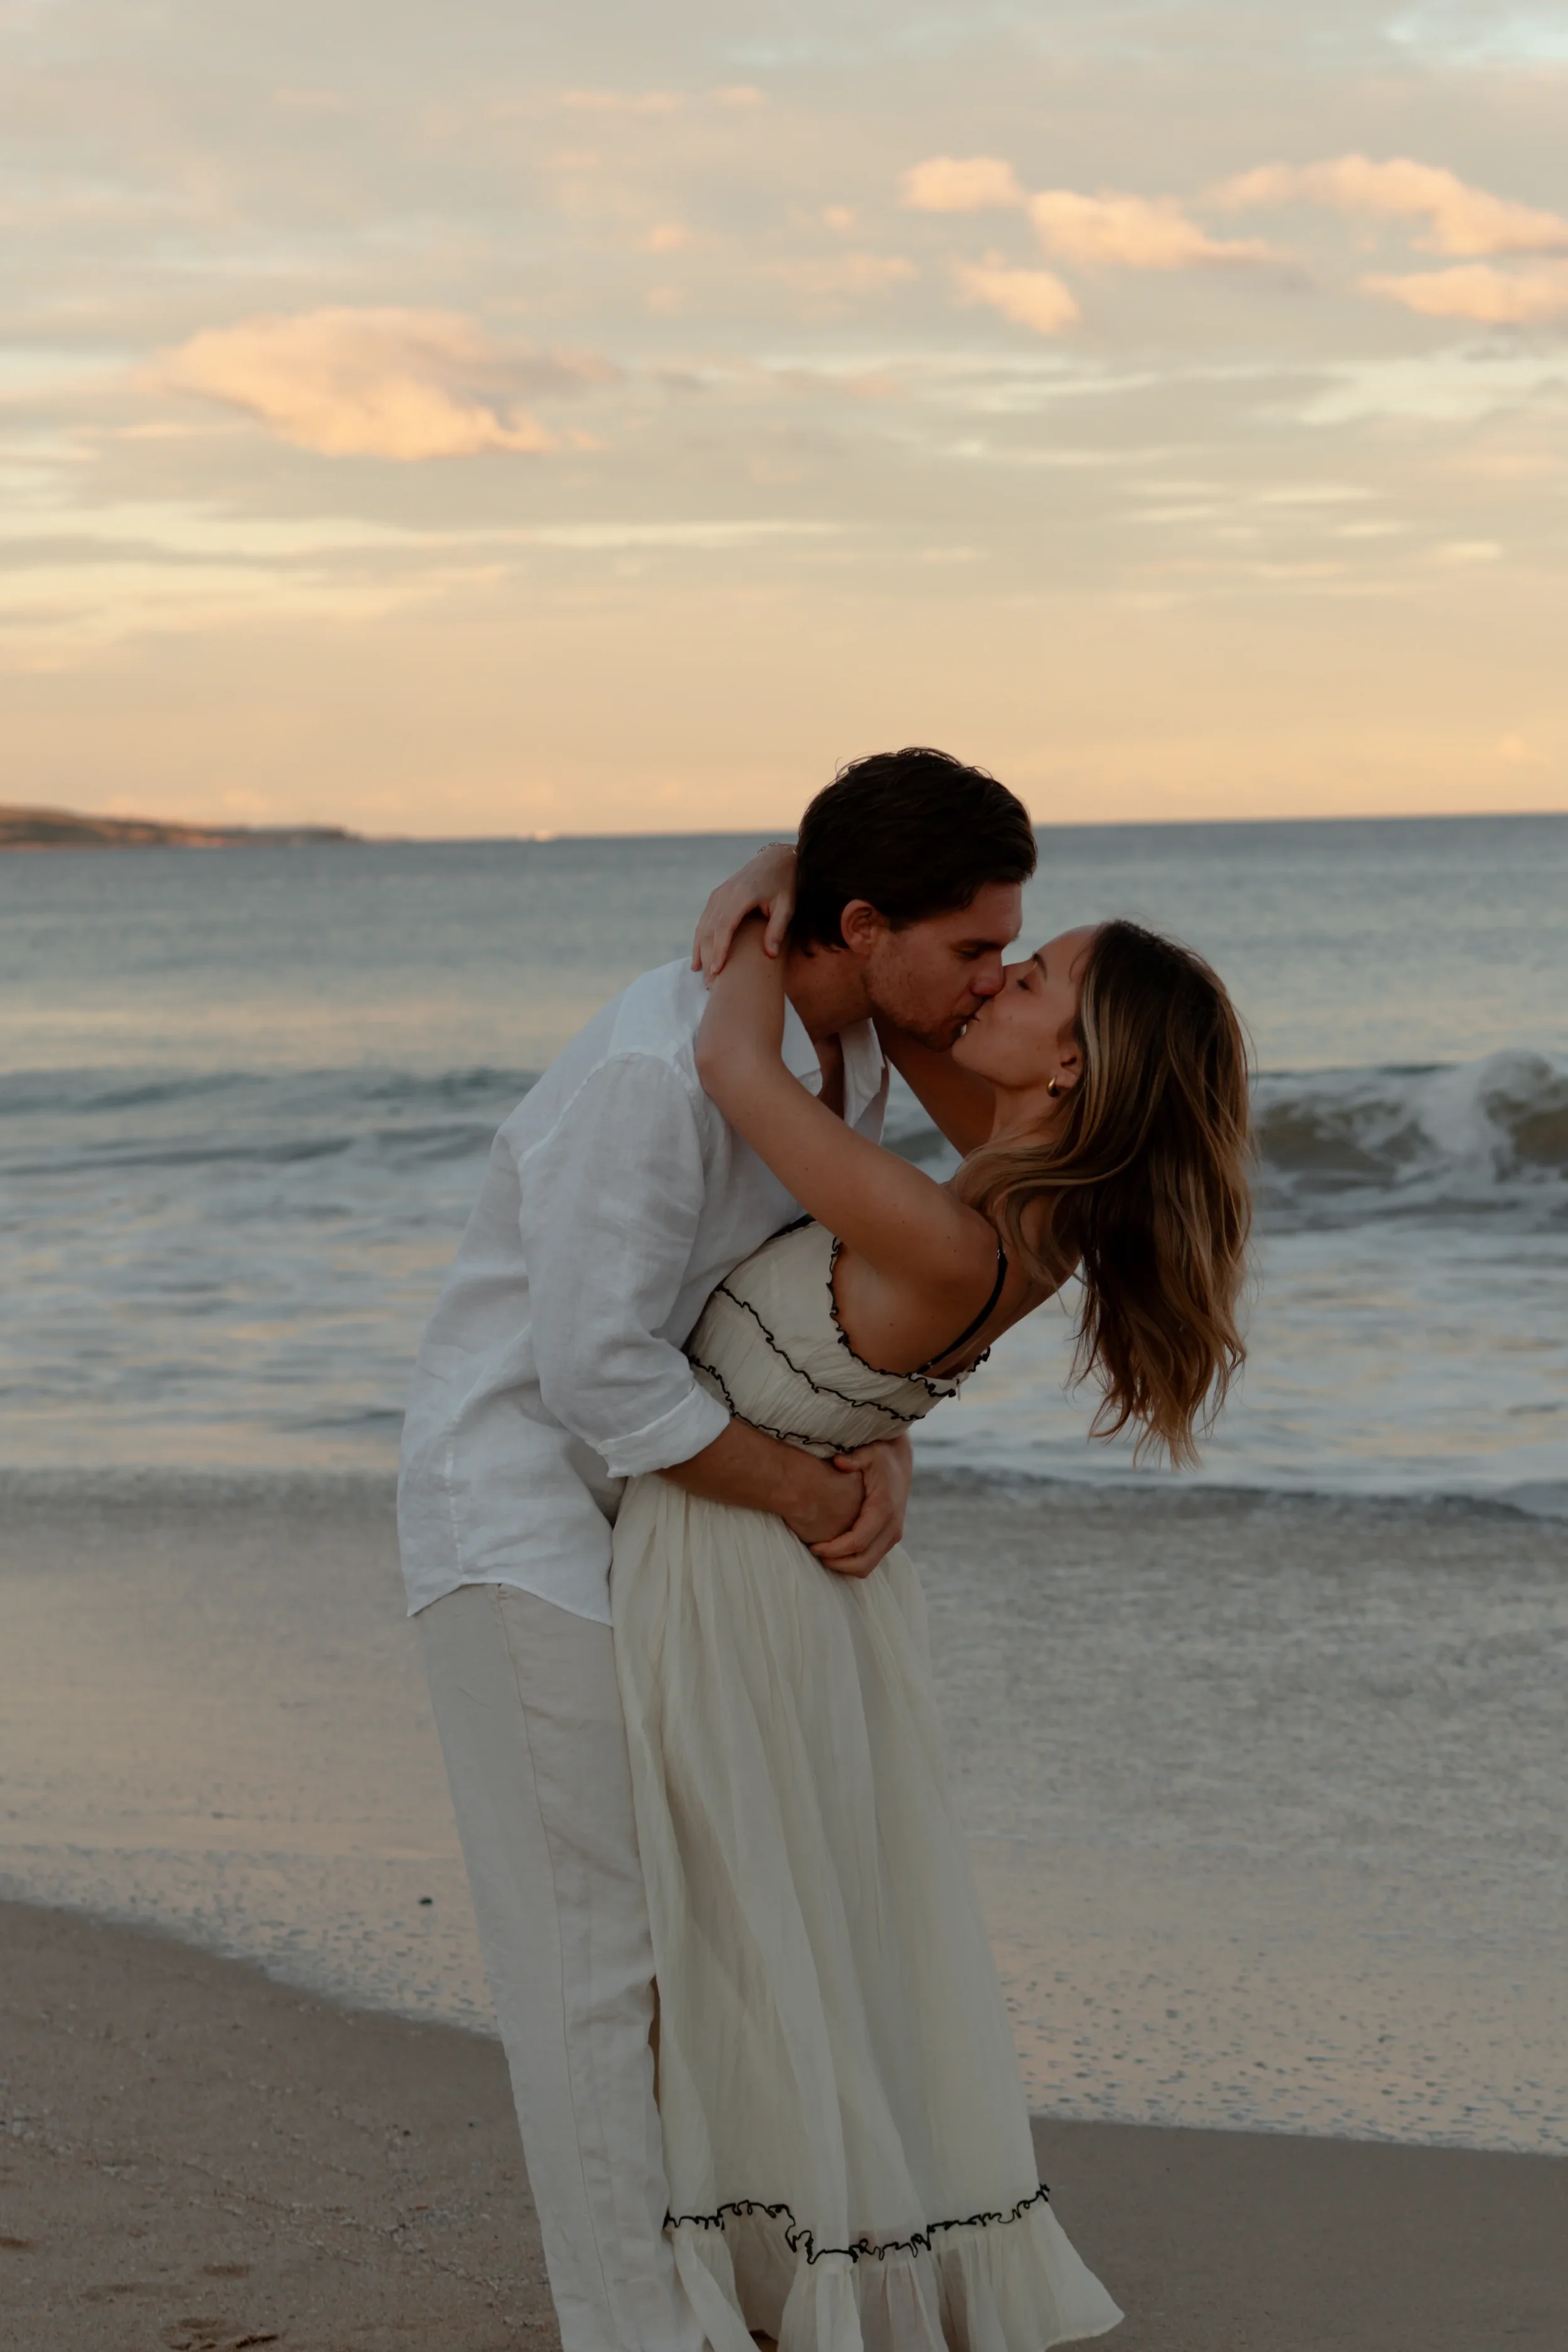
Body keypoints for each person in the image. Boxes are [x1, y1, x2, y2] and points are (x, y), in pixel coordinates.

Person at [398, 749, 1039, 2352]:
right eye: (969, 950)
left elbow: (770, 1309)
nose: (984, 985)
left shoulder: (843, 1061)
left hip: (656, 1523)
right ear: (865, 922)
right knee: (592, 1955)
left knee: (699, 1921)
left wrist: (870, 1439)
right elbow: (593, 1369)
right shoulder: (653, 1072)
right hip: (518, 1520)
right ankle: (627, 2325)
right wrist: (809, 1496)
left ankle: (724, 2277)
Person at [607, 871, 1252, 2350]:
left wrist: (759, 924)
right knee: (779, 1925)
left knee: (743, 1933)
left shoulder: (956, 1230)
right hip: (779, 1576)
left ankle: (784, 2270)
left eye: (1035, 979)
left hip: (740, 1583)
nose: (999, 977)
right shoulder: (1014, 1200)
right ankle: (787, 2254)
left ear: (1073, 1062)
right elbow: (901, 1042)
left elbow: (725, 1062)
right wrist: (806, 877)